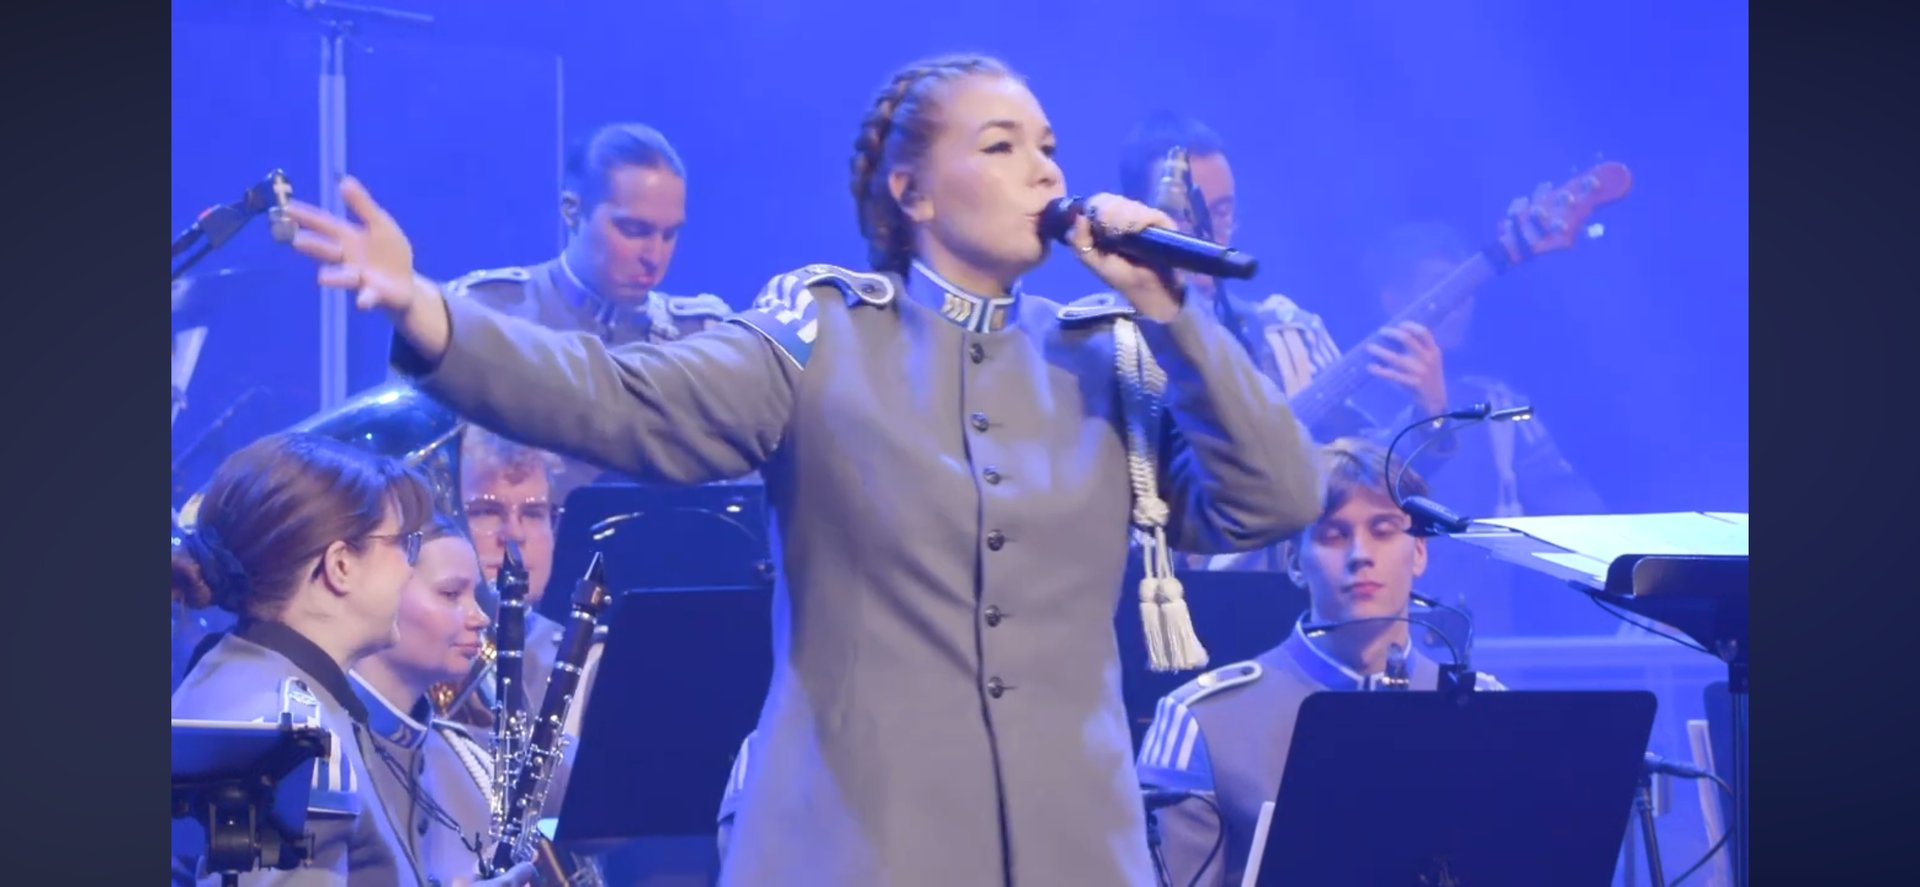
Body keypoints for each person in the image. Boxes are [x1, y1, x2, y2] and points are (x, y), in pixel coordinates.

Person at [283, 52, 1323, 887]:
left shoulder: (1105, 357)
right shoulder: (824, 336)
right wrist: (432, 313)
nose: (1047, 173)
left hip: (1074, 850)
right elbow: (622, 397)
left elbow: (1274, 497)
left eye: (1049, 147)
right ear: (910, 189)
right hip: (858, 847)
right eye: (1002, 146)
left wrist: (1174, 313)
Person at [1134, 438, 1505, 887]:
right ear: (1294, 561)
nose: (1360, 554)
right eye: (1334, 534)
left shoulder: (1489, 710)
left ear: (1420, 552)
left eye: (1384, 530)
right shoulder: (1200, 721)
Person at [170, 432, 534, 886]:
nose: (408, 569)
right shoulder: (295, 736)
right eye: (403, 546)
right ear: (341, 565)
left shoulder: (234, 675)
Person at [441, 123, 736, 501]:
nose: (654, 256)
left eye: (669, 234)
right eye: (634, 230)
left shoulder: (703, 338)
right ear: (572, 211)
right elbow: (415, 480)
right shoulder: (483, 313)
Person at [1358, 220, 1609, 636]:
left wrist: (1647, 582)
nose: (1462, 305)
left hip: (1482, 647)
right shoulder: (1352, 404)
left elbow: (1578, 513)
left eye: (1467, 292)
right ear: (1394, 301)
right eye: (1442, 288)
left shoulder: (1496, 406)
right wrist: (1431, 413)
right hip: (1366, 643)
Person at [349, 513, 588, 885]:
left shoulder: (469, 759)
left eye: (475, 596)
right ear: (382, 593)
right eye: (450, 594)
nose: (480, 618)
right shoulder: (323, 750)